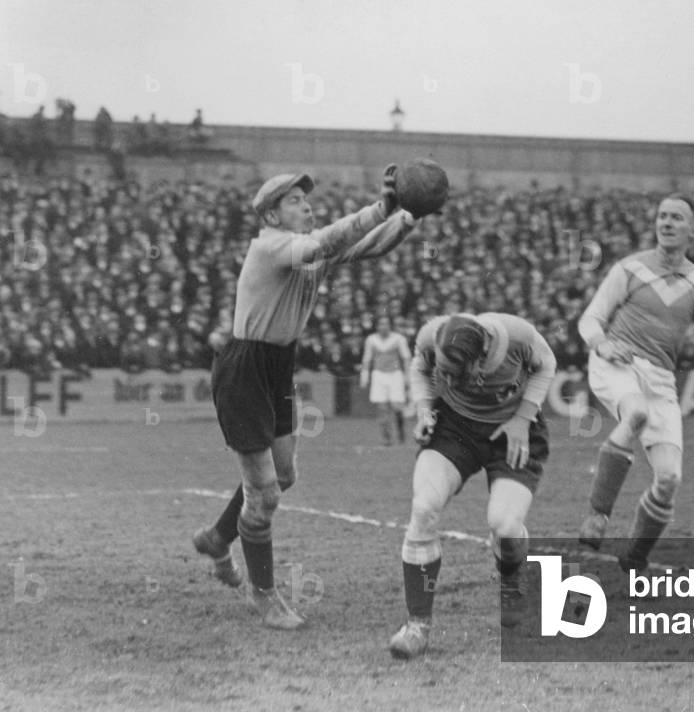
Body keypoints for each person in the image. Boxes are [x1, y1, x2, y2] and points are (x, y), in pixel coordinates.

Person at [192, 168, 420, 630]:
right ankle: (266, 597)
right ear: (273, 213)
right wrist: (380, 209)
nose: (307, 205)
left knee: (284, 474)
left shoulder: (307, 251)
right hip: (245, 369)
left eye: (305, 199)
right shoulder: (270, 246)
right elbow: (324, 244)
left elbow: (369, 246)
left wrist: (408, 215)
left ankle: (218, 538)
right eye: (295, 200)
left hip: (278, 364)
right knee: (265, 494)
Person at [576, 194, 694, 572]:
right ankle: (598, 515)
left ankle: (636, 558)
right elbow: (590, 320)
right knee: (636, 414)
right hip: (617, 361)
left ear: (692, 230)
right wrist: (603, 344)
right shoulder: (628, 268)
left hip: (660, 379)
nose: (667, 223)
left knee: (669, 478)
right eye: (662, 216)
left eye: (677, 218)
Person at [388, 312, 556, 659]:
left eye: (451, 374)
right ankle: (417, 625)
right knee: (423, 509)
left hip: (510, 430)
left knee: (505, 527)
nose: (444, 377)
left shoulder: (518, 336)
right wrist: (423, 408)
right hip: (455, 430)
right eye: (443, 371)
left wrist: (523, 419)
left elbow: (547, 363)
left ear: (480, 362)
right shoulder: (432, 334)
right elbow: (420, 367)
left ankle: (512, 580)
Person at [360, 316, 412, 444]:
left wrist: (407, 376)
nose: (384, 327)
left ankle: (400, 432)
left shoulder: (399, 339)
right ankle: (386, 438)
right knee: (382, 408)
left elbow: (406, 358)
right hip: (379, 375)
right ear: (377, 326)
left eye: (386, 324)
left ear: (390, 326)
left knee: (396, 407)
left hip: (395, 375)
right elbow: (367, 358)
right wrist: (364, 376)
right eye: (381, 324)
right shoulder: (371, 340)